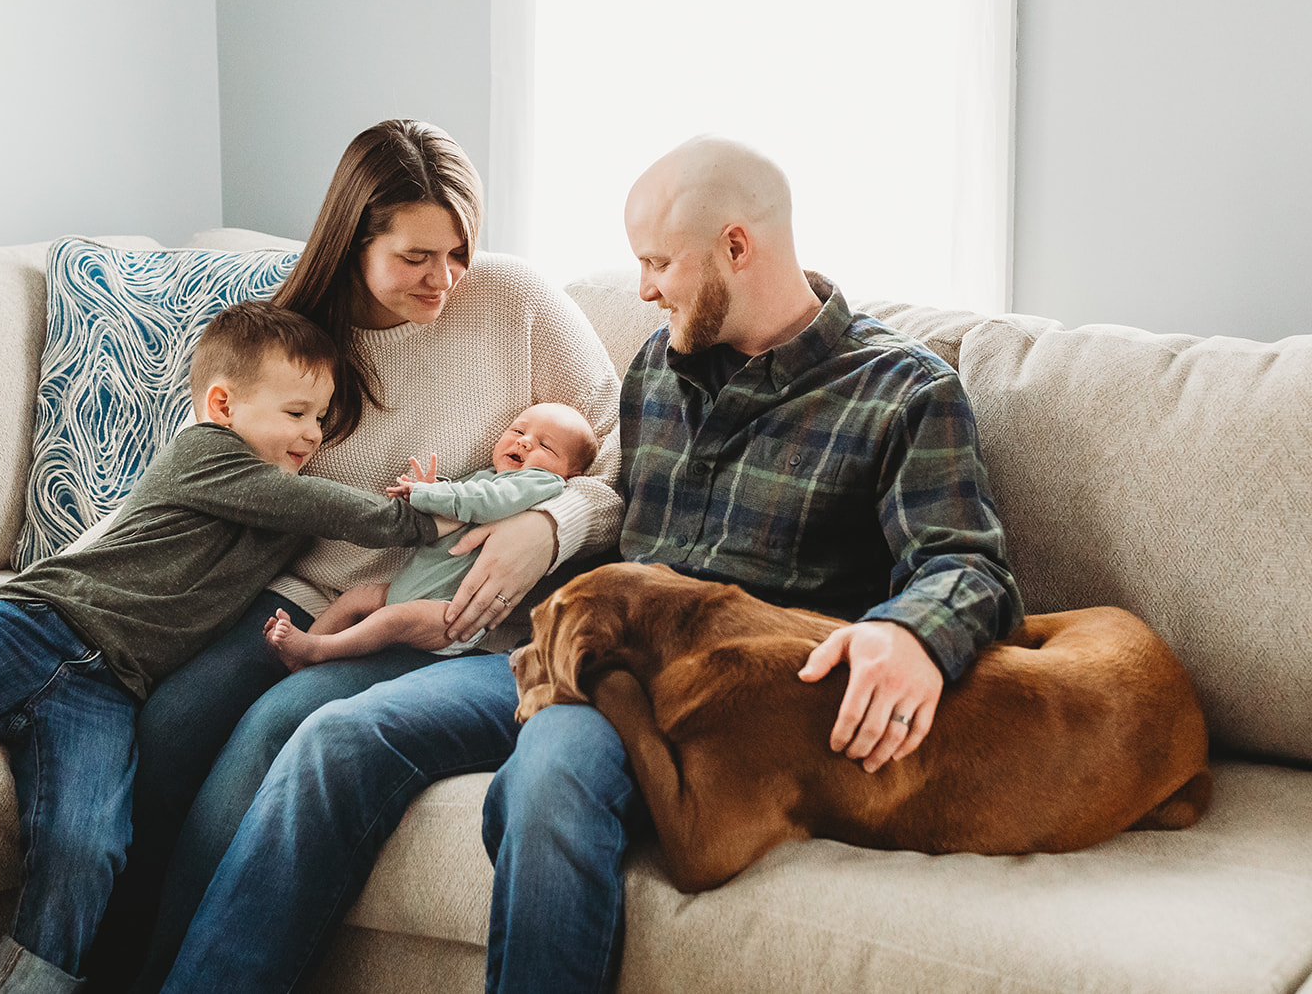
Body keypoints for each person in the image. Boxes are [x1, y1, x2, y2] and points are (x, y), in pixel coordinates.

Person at [148, 135, 1026, 994]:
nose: (641, 290)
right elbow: (603, 495)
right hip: (573, 649)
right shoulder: (662, 368)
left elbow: (965, 562)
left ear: (736, 247)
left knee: (551, 780)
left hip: (722, 686)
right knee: (334, 737)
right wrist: (539, 526)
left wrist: (912, 633)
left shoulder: (902, 390)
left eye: (658, 265)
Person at [0, 301, 457, 994]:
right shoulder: (207, 456)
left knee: (90, 842)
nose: (312, 435)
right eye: (297, 413)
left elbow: (330, 541)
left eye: (321, 418)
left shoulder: (280, 508)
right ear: (224, 405)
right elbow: (326, 505)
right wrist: (422, 518)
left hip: (104, 688)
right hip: (32, 625)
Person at [83, 119, 624, 990]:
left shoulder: (514, 300)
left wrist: (551, 524)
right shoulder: (294, 339)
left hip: (425, 607)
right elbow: (191, 473)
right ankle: (100, 968)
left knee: (270, 728)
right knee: (170, 724)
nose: (444, 279)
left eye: (459, 251)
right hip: (293, 590)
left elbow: (626, 438)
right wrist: (54, 588)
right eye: (417, 256)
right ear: (354, 235)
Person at [266, 402, 601, 669]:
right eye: (518, 430)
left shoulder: (541, 483)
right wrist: (432, 489)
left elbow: (483, 503)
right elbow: (461, 498)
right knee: (358, 597)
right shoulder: (489, 475)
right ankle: (300, 652)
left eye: (545, 445)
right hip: (413, 588)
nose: (525, 441)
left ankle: (320, 649)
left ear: (570, 473)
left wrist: (427, 496)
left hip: (451, 613)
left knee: (392, 620)